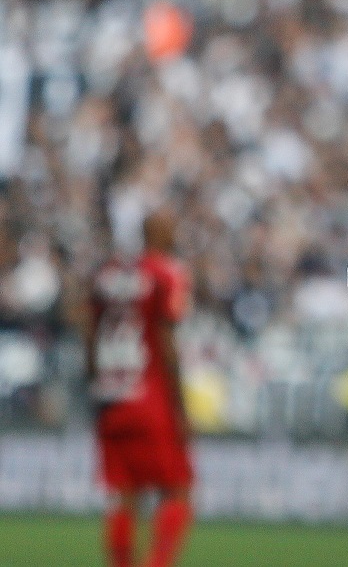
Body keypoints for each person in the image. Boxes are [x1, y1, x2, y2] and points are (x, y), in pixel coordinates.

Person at [85, 210, 194, 567]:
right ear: (160, 232)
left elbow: (88, 332)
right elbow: (166, 342)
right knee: (177, 490)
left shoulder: (110, 273)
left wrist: (95, 384)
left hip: (112, 396)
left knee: (124, 498)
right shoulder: (166, 273)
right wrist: (180, 408)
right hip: (152, 397)